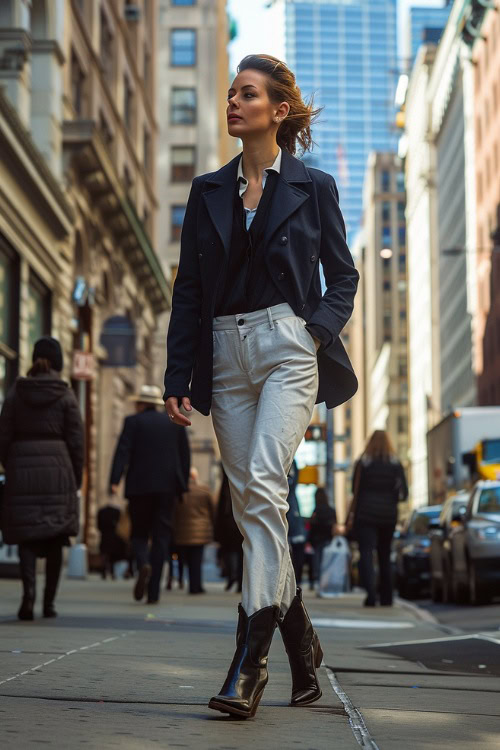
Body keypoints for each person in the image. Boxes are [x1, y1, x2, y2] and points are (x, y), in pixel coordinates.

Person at [164, 54, 358, 718]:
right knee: (254, 506)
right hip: (224, 353)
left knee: (265, 488)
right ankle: (302, 642)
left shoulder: (314, 186)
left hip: (286, 350)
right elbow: (188, 292)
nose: (232, 102)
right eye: (230, 94)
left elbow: (344, 277)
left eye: (246, 94)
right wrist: (178, 375)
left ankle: (249, 665)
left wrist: (315, 332)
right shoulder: (208, 192)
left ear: (278, 111)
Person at [0, 337, 84, 620]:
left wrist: (9, 464)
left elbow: (3, 434)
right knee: (55, 535)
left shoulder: (16, 392)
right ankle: (48, 603)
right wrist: (76, 476)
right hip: (59, 470)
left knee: (27, 537)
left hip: (21, 467)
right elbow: (77, 440)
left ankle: (28, 597)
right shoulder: (65, 395)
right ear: (58, 362)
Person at [109, 385, 190, 604]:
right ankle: (153, 592)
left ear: (141, 404)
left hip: (139, 487)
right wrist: (182, 487)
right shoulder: (174, 423)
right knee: (162, 537)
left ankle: (143, 561)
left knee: (139, 533)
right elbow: (184, 456)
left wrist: (114, 480)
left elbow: (122, 451)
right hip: (167, 488)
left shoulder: (132, 422)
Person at [347, 430, 408, 607]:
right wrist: (392, 498)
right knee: (384, 555)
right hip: (388, 516)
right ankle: (387, 597)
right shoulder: (396, 464)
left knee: (366, 553)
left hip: (365, 515)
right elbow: (405, 493)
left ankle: (371, 594)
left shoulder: (363, 463)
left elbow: (354, 490)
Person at [173, 467, 215, 594]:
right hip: (201, 531)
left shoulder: (180, 492)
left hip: (183, 531)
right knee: (197, 559)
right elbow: (212, 510)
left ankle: (191, 584)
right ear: (195, 477)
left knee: (186, 560)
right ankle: (196, 586)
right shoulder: (204, 491)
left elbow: (175, 511)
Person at [214, 469, 243, 592]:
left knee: (231, 551)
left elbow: (221, 506)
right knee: (241, 552)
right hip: (240, 520)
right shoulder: (242, 481)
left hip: (229, 521)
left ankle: (232, 578)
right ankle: (239, 581)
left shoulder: (227, 483)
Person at [308, 487, 336, 587]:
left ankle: (319, 580)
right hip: (328, 539)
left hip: (317, 539)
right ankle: (327, 581)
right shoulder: (331, 510)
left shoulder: (316, 510)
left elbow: (312, 526)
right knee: (327, 561)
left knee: (317, 560)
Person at [286, 460, 306, 585]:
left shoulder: (292, 462)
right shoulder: (293, 463)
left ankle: (293, 577)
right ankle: (295, 577)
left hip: (287, 507)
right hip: (291, 508)